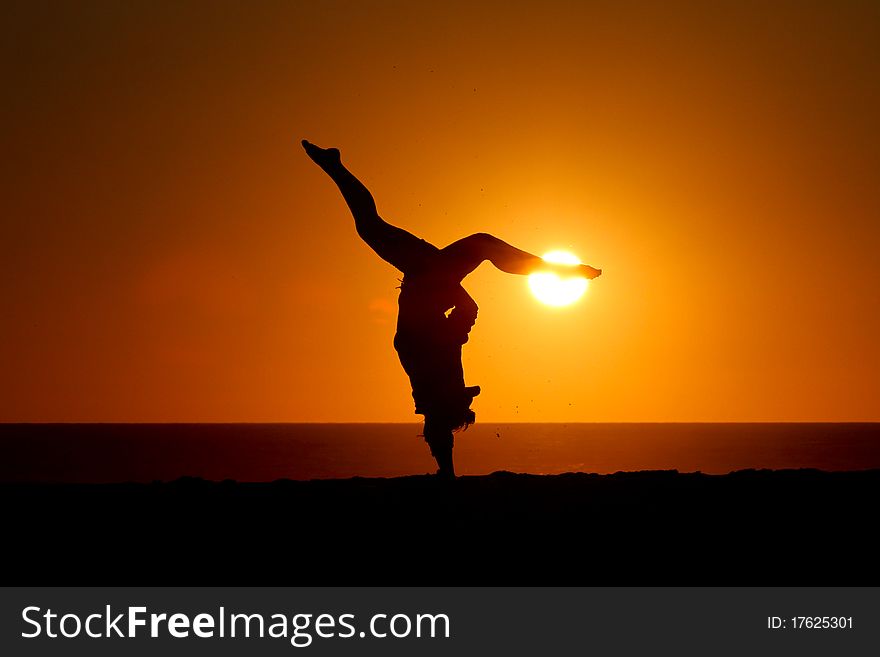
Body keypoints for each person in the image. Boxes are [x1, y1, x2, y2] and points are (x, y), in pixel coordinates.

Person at [302, 140, 601, 477]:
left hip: (424, 274)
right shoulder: (440, 360)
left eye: (464, 398)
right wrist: (450, 290)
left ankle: (334, 165)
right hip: (427, 275)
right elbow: (463, 315)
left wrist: (449, 293)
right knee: (472, 243)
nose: (466, 391)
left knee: (375, 227)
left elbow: (454, 325)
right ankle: (562, 270)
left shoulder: (433, 363)